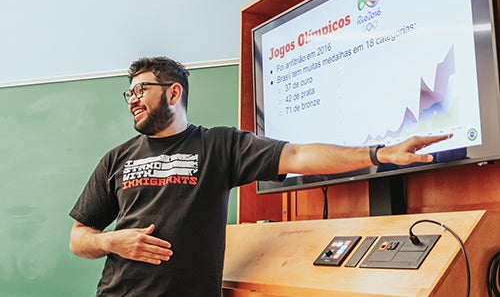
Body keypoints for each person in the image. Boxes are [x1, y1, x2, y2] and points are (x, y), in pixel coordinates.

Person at [69, 56, 452, 296]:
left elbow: (298, 154)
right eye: (128, 93)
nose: (132, 98)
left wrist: (378, 153)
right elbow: (79, 238)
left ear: (173, 93)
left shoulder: (219, 145)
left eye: (141, 89)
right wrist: (112, 242)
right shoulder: (116, 159)